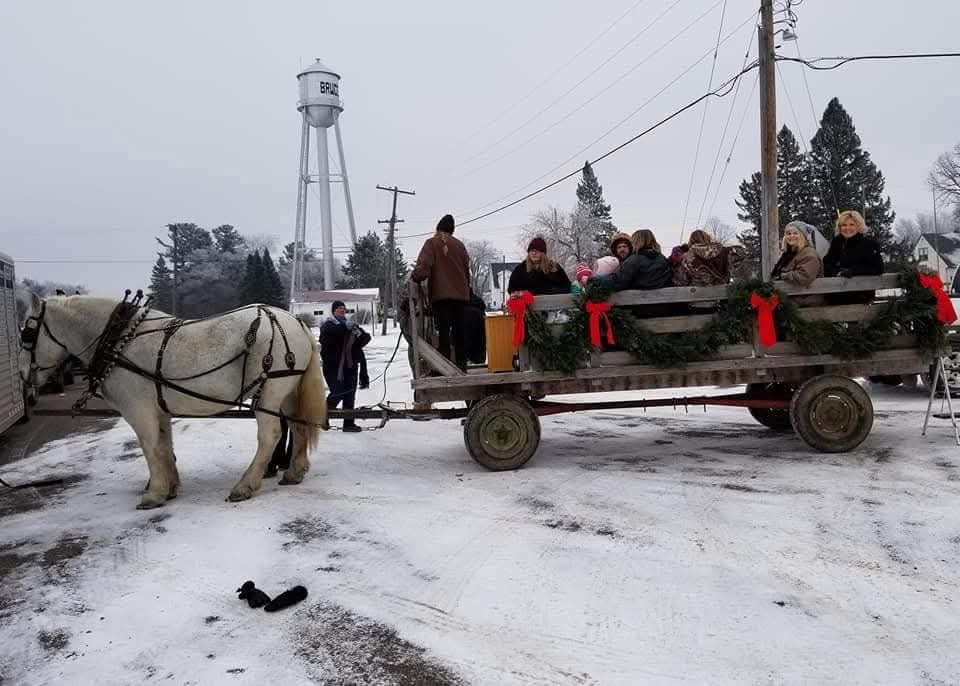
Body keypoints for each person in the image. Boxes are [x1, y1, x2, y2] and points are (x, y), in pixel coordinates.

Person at [412, 214, 471, 371]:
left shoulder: (432, 243)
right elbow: (467, 270)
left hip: (442, 295)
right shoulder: (459, 245)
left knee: (443, 332)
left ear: (438, 229)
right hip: (461, 296)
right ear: (452, 230)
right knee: (460, 332)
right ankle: (461, 364)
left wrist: (416, 276)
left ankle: (444, 367)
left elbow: (424, 266)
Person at [318, 301, 371, 432]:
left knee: (349, 394)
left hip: (350, 366)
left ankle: (348, 424)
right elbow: (330, 337)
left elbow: (365, 338)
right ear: (333, 311)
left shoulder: (351, 326)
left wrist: (359, 334)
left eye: (343, 308)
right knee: (338, 392)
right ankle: (322, 415)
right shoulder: (328, 326)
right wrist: (345, 328)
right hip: (333, 367)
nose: (342, 310)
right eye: (339, 309)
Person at [822, 209, 884, 305]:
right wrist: (836, 272)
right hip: (837, 291)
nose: (847, 228)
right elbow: (827, 263)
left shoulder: (869, 244)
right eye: (844, 225)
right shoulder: (837, 242)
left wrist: (853, 271)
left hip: (861, 292)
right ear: (840, 227)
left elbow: (878, 268)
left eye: (851, 225)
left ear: (858, 226)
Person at [671, 229, 742, 288]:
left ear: (691, 241)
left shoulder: (687, 257)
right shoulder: (724, 251)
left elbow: (680, 282)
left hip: (697, 300)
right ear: (707, 238)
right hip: (723, 298)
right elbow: (742, 259)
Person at [507, 236, 572, 295]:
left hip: (554, 305)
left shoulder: (554, 267)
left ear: (543, 253)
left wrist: (550, 291)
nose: (534, 253)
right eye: (531, 250)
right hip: (529, 306)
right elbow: (512, 289)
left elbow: (567, 287)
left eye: (537, 250)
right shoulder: (520, 269)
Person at [772, 222, 824, 287]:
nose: (791, 236)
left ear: (802, 235)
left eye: (795, 233)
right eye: (788, 233)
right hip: (788, 294)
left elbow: (804, 277)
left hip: (805, 296)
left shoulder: (809, 253)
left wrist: (782, 276)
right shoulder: (788, 254)